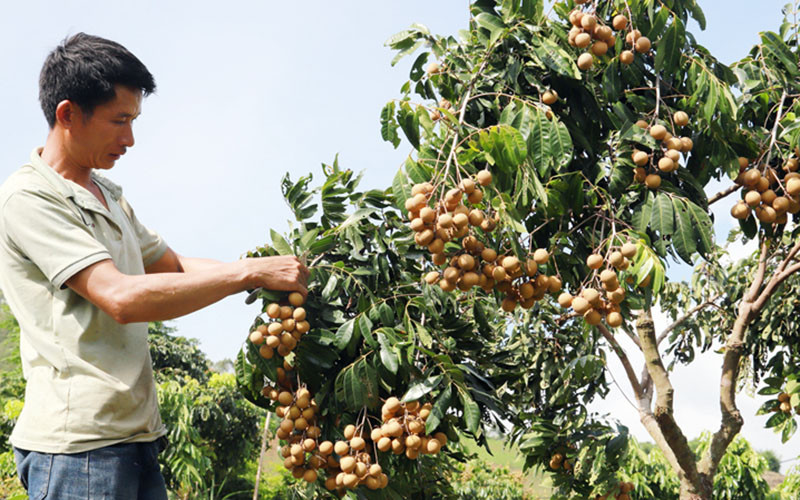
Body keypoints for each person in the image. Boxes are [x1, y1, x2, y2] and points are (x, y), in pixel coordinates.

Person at [0, 33, 308, 499]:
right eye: (119, 121)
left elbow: (176, 264)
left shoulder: (109, 195)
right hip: (78, 450)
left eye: (134, 121)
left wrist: (270, 271)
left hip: (135, 439)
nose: (130, 139)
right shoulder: (29, 198)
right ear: (67, 114)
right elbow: (120, 298)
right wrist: (248, 275)